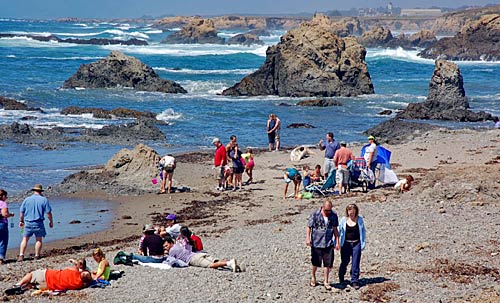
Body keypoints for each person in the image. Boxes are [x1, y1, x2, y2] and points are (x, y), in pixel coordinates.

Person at [306, 200, 340, 291]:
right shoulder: (315, 214)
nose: (328, 212)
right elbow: (309, 227)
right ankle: (313, 276)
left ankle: (326, 281)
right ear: (322, 207)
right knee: (315, 262)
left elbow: (335, 229)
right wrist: (308, 238)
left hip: (328, 242)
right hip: (316, 242)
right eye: (326, 211)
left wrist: (337, 241)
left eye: (329, 210)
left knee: (327, 263)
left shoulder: (333, 215)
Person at [9, 259, 92, 294]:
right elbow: (90, 278)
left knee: (31, 274)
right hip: (47, 287)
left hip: (47, 276)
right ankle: (25, 287)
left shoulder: (75, 271)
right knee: (33, 285)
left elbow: (80, 263)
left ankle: (18, 284)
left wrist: (73, 261)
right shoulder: (79, 285)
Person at [18, 184, 53, 262]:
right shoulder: (44, 200)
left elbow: (21, 212)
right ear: (41, 191)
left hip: (27, 223)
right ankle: (37, 255)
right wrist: (51, 221)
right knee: (38, 240)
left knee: (25, 239)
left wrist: (21, 221)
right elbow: (48, 213)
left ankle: (21, 255)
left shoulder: (27, 199)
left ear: (34, 191)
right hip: (38, 223)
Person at [164, 237, 241, 272]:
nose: (166, 248)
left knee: (211, 265)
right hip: (198, 254)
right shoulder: (177, 245)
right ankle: (232, 263)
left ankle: (229, 263)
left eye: (166, 246)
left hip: (193, 259)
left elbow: (170, 260)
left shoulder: (172, 250)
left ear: (171, 243)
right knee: (215, 261)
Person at [338, 204, 366, 290]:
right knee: (345, 261)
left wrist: (363, 243)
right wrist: (336, 242)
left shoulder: (360, 219)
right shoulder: (343, 220)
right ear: (347, 212)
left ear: (356, 211)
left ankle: (354, 280)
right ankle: (341, 274)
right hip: (346, 244)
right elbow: (339, 231)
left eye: (353, 211)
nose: (351, 213)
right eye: (349, 211)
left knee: (355, 262)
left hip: (356, 243)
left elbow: (363, 231)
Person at [0, 189, 14, 264]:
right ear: (3, 196)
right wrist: (11, 215)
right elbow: (4, 214)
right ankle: (1, 258)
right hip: (2, 224)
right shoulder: (3, 203)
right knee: (3, 240)